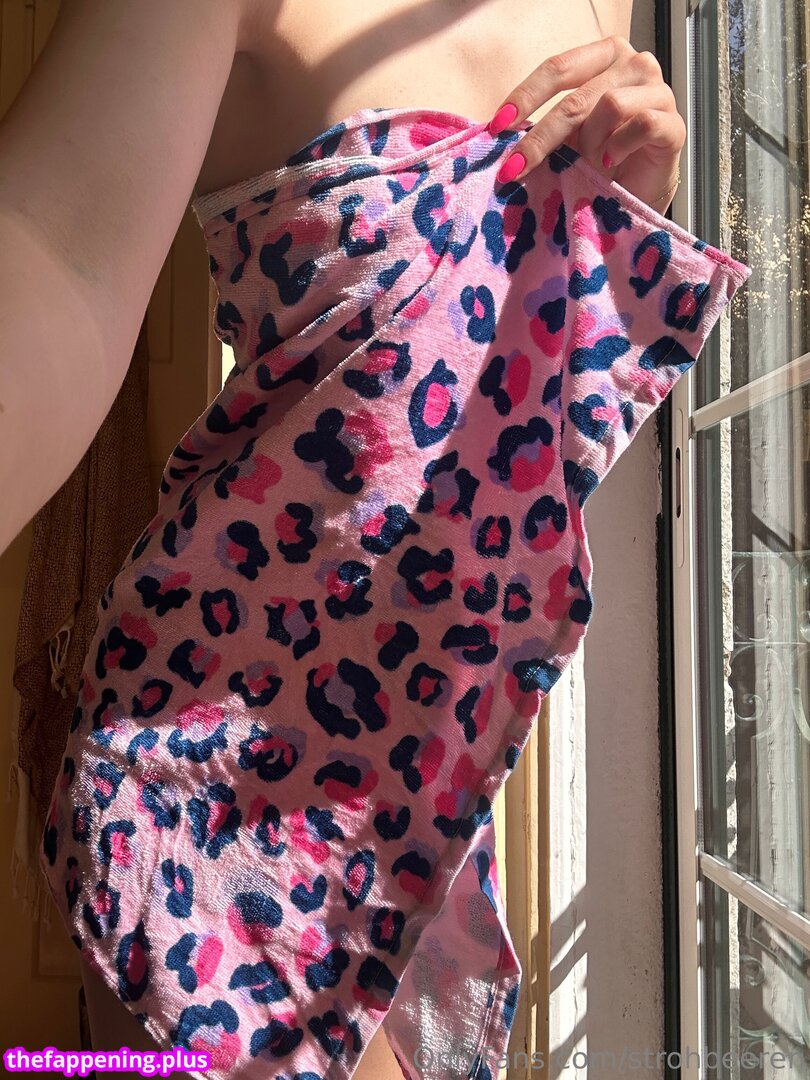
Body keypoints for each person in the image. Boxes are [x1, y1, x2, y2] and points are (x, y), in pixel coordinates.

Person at [0, 2, 702, 1078]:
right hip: (223, 802)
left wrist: (621, 228)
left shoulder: (597, 10)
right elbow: (51, 257)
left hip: (430, 817)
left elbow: (514, 448)